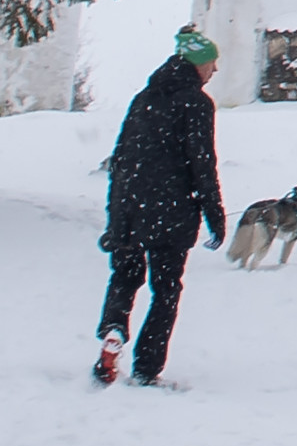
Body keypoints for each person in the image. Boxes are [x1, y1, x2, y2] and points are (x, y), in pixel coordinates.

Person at [96, 29, 229, 385]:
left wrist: (116, 216)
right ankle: (146, 369)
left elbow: (122, 158)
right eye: (212, 64)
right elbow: (202, 163)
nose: (214, 71)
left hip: (130, 208)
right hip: (172, 213)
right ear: (198, 64)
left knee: (125, 277)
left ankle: (112, 331)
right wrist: (214, 214)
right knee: (166, 289)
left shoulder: (144, 98)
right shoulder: (196, 103)